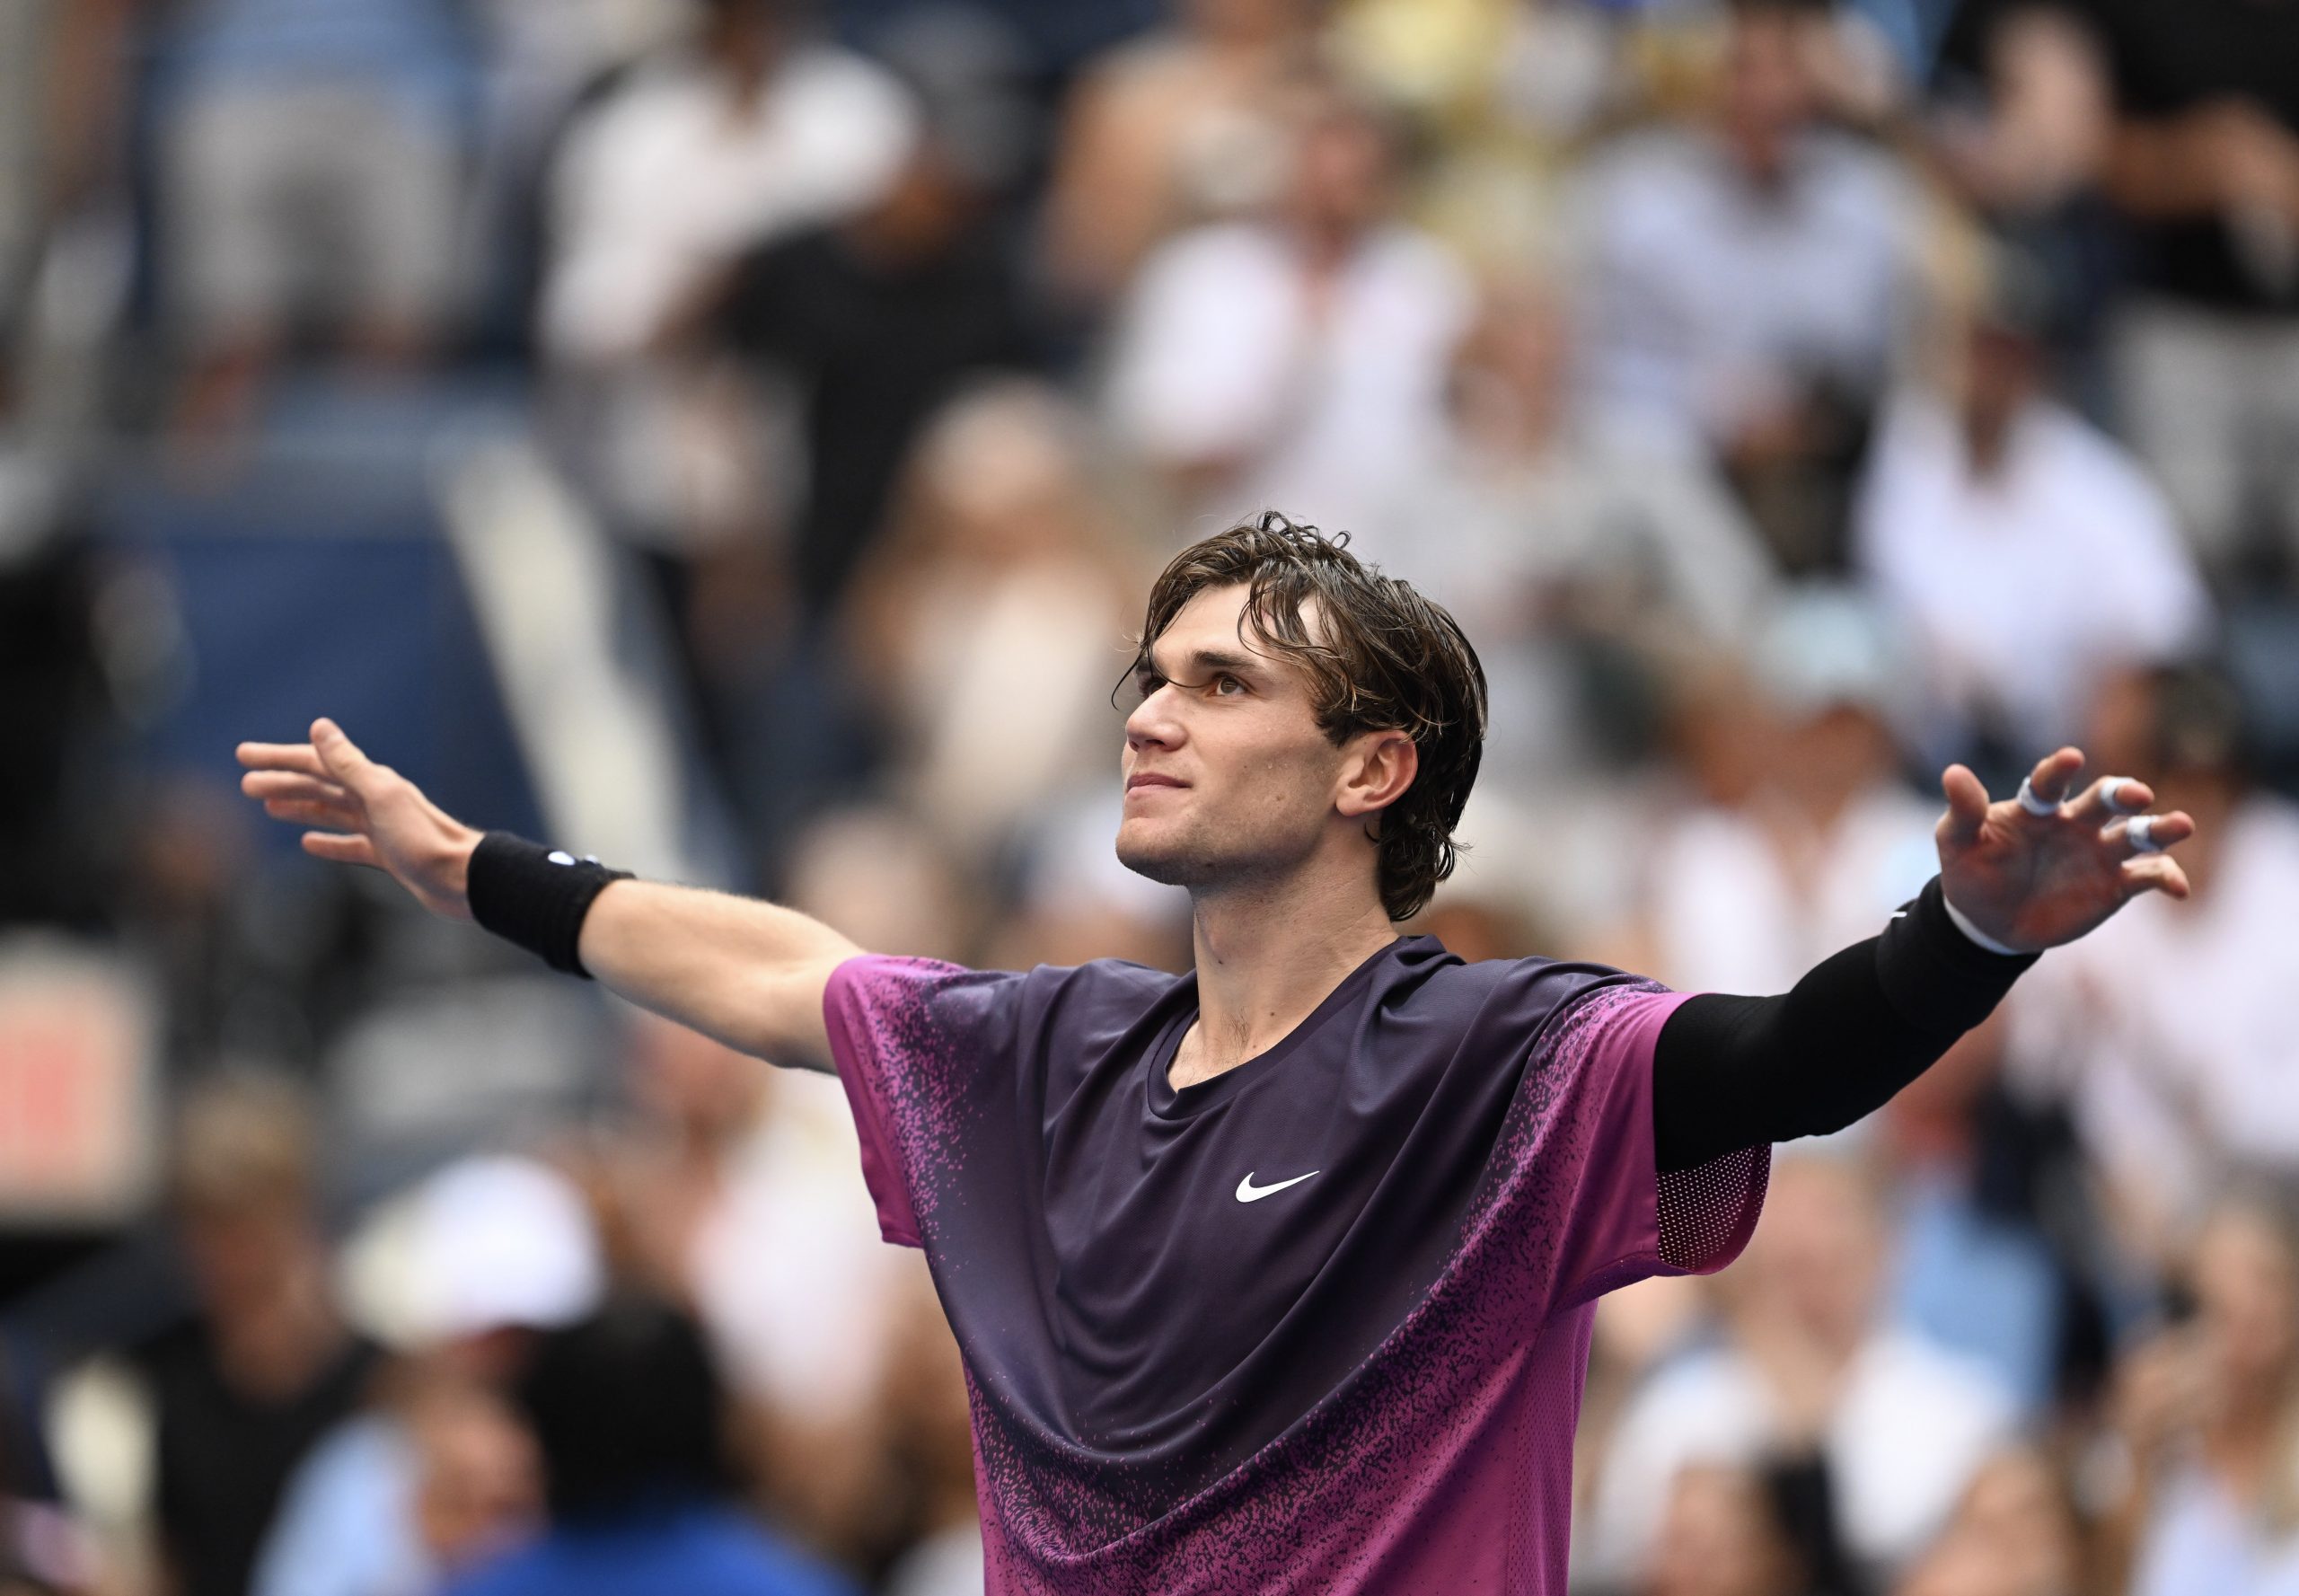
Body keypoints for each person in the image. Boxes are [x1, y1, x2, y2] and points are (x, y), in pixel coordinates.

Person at [236, 513, 2196, 1592]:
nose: (1151, 717)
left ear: (1371, 765)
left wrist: (1965, 935)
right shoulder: (1034, 1050)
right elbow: (773, 968)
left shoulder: (1499, 1064)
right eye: (1146, 678)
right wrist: (468, 862)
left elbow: (1786, 1059)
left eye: (1220, 680)